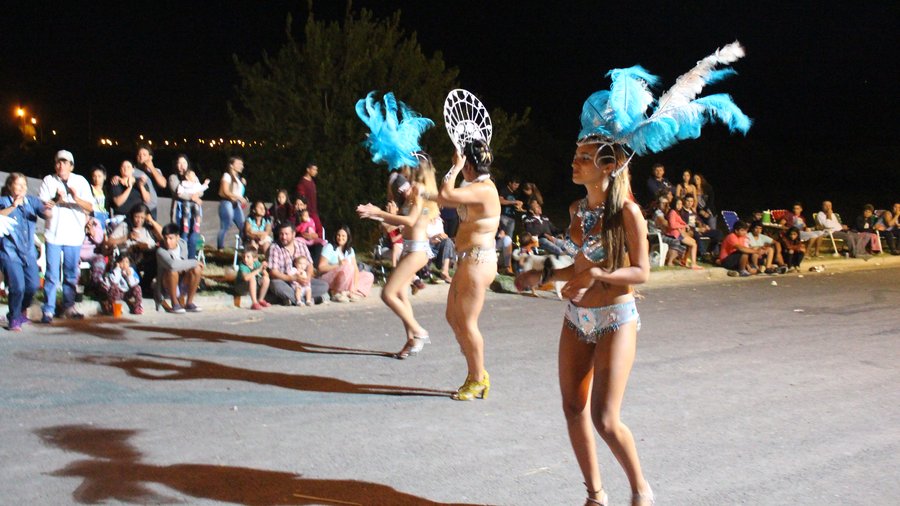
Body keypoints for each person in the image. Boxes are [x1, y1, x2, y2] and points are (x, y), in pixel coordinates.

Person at [517, 49, 749, 503]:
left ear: (608, 165)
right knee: (572, 407)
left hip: (615, 319)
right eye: (576, 154)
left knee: (605, 418)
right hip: (577, 318)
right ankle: (595, 494)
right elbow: (576, 268)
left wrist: (597, 273)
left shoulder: (628, 213)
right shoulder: (576, 211)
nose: (574, 162)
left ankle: (641, 490)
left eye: (584, 156)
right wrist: (540, 273)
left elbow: (641, 272)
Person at [437, 140, 500, 400]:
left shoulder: (484, 189)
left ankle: (477, 378)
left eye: (465, 164)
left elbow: (446, 196)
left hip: (478, 260)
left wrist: (454, 166)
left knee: (467, 322)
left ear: (470, 166)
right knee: (452, 316)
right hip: (468, 259)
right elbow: (446, 197)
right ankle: (477, 371)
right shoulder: (475, 187)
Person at [358, 155, 438, 357]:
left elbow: (410, 220)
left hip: (417, 250)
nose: (403, 169)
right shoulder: (415, 190)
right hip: (409, 248)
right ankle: (411, 340)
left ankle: (419, 331)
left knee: (387, 294)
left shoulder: (420, 190)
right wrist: (376, 214)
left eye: (407, 165)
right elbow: (404, 224)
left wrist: (379, 212)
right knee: (401, 294)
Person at [38, 150, 94, 323]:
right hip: (53, 234)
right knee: (51, 275)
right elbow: (43, 206)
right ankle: (48, 310)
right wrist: (56, 199)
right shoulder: (49, 180)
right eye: (58, 162)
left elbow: (90, 206)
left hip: (73, 235)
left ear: (71, 166)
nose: (61, 165)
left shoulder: (80, 181)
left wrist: (75, 198)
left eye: (65, 162)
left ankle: (68, 306)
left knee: (71, 274)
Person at [1, 172, 51, 331]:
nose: (22, 188)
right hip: (10, 252)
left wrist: (50, 208)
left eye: (24, 185)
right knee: (18, 287)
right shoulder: (4, 201)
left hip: (28, 252)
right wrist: (13, 206)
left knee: (33, 285)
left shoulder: (31, 201)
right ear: (10, 186)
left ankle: (19, 311)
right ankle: (14, 318)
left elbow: (46, 213)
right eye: (18, 184)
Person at [266, 221, 329, 305]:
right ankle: (308, 299)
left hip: (302, 281)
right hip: (285, 281)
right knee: (275, 284)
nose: (284, 237)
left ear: (293, 234)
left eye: (286, 234)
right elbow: (273, 272)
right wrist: (292, 278)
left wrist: (307, 278)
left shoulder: (301, 244)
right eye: (281, 234)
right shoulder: (275, 247)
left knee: (324, 285)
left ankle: (291, 299)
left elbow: (310, 264)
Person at [106, 204, 162, 290]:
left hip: (147, 256)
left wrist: (152, 221)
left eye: (142, 218)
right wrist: (127, 237)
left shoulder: (149, 228)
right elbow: (109, 242)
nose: (139, 220)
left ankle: (146, 286)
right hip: (129, 257)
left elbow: (163, 236)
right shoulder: (125, 225)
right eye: (136, 217)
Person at [316, 226, 374, 303]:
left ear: (348, 237)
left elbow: (356, 269)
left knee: (368, 276)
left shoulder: (350, 250)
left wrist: (354, 287)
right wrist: (338, 265)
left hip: (348, 279)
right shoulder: (329, 247)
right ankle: (336, 292)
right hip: (329, 278)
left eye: (343, 236)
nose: (340, 238)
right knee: (347, 267)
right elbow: (320, 268)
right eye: (338, 235)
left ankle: (351, 292)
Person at [156, 223, 203, 313]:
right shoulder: (160, 251)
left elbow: (184, 264)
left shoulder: (183, 244)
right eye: (165, 238)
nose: (168, 241)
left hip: (182, 281)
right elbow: (173, 265)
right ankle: (175, 304)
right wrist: (195, 262)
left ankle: (189, 303)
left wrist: (191, 265)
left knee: (197, 269)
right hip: (167, 285)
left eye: (171, 238)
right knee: (172, 271)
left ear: (177, 238)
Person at [167, 154, 203, 259]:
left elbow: (200, 190)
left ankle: (191, 260)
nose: (181, 165)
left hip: (194, 212)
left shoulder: (193, 176)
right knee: (182, 237)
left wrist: (196, 195)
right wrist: (194, 197)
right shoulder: (173, 178)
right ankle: (181, 260)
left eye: (184, 162)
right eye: (179, 163)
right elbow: (179, 193)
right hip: (180, 213)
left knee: (193, 237)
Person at [217, 156, 248, 250]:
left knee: (243, 226)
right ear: (231, 165)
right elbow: (226, 191)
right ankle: (220, 247)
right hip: (227, 203)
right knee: (226, 225)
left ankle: (243, 246)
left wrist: (243, 185)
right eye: (239, 164)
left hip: (235, 204)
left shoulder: (238, 178)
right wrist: (239, 197)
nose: (242, 166)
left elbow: (238, 193)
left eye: (242, 164)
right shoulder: (227, 176)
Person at [666, 197, 701, 269]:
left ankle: (687, 261)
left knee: (693, 242)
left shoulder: (676, 212)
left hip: (678, 233)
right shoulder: (672, 212)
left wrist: (685, 225)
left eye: (681, 204)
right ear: (674, 204)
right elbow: (672, 225)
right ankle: (693, 264)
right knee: (693, 244)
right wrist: (683, 226)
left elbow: (681, 221)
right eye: (678, 204)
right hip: (675, 234)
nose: (679, 206)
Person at [136, 145, 166, 218]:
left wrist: (151, 168)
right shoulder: (133, 171)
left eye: (144, 155)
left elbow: (163, 184)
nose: (141, 157)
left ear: (150, 157)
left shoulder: (156, 171)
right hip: (136, 209)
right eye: (139, 155)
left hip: (152, 209)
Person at [295, 163, 323, 237]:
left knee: (319, 231)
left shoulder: (312, 182)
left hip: (314, 212)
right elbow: (301, 198)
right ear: (308, 169)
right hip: (307, 213)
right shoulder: (302, 183)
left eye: (316, 170)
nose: (316, 172)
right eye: (314, 169)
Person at [427, 215, 455, 283]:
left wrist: (444, 236)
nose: (439, 212)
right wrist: (432, 239)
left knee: (448, 241)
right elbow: (419, 237)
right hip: (427, 245)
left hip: (438, 247)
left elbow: (443, 234)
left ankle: (445, 271)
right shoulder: (423, 221)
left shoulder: (439, 221)